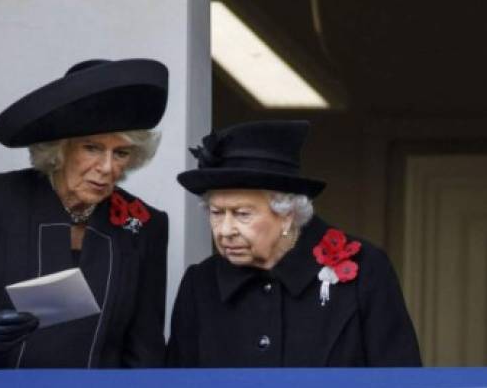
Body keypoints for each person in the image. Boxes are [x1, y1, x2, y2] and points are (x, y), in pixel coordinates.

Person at [0, 59, 170, 368]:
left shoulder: (144, 223)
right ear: (60, 149)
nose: (107, 167)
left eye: (121, 153)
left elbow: (145, 346)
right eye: (92, 148)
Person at [167, 120, 421, 367]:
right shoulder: (200, 284)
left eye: (242, 214)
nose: (225, 231)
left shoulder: (364, 270)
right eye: (216, 213)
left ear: (287, 214)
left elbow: (399, 387)